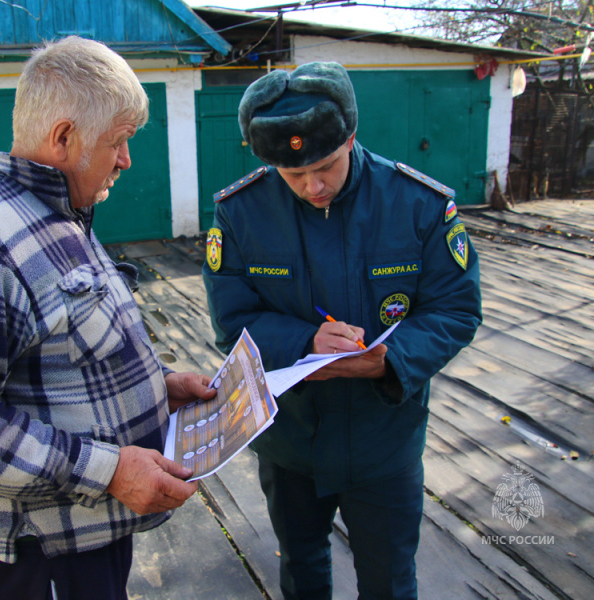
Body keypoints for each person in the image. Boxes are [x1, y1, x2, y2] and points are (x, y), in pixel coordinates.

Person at [0, 36, 216, 600]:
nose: (126, 159)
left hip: (84, 537)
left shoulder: (60, 213)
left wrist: (160, 389)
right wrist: (109, 471)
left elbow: (63, 353)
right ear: (65, 137)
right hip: (36, 557)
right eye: (119, 141)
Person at [202, 62, 482, 600]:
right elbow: (232, 318)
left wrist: (391, 360)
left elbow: (456, 307)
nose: (314, 186)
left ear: (351, 136)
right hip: (290, 442)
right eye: (293, 174)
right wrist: (303, 342)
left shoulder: (417, 205)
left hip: (384, 442)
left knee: (390, 579)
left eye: (327, 165)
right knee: (301, 568)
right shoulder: (239, 213)